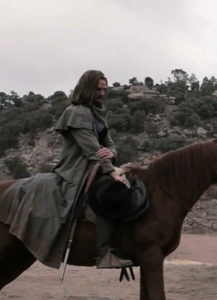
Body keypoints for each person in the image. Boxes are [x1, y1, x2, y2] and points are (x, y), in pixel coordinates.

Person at [0, 69, 133, 269]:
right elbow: (91, 149)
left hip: (97, 167)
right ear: (87, 89)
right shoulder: (75, 113)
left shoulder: (98, 114)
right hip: (76, 171)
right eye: (98, 89)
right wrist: (112, 171)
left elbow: (110, 144)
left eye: (104, 90)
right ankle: (104, 253)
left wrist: (112, 153)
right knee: (108, 193)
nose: (102, 94)